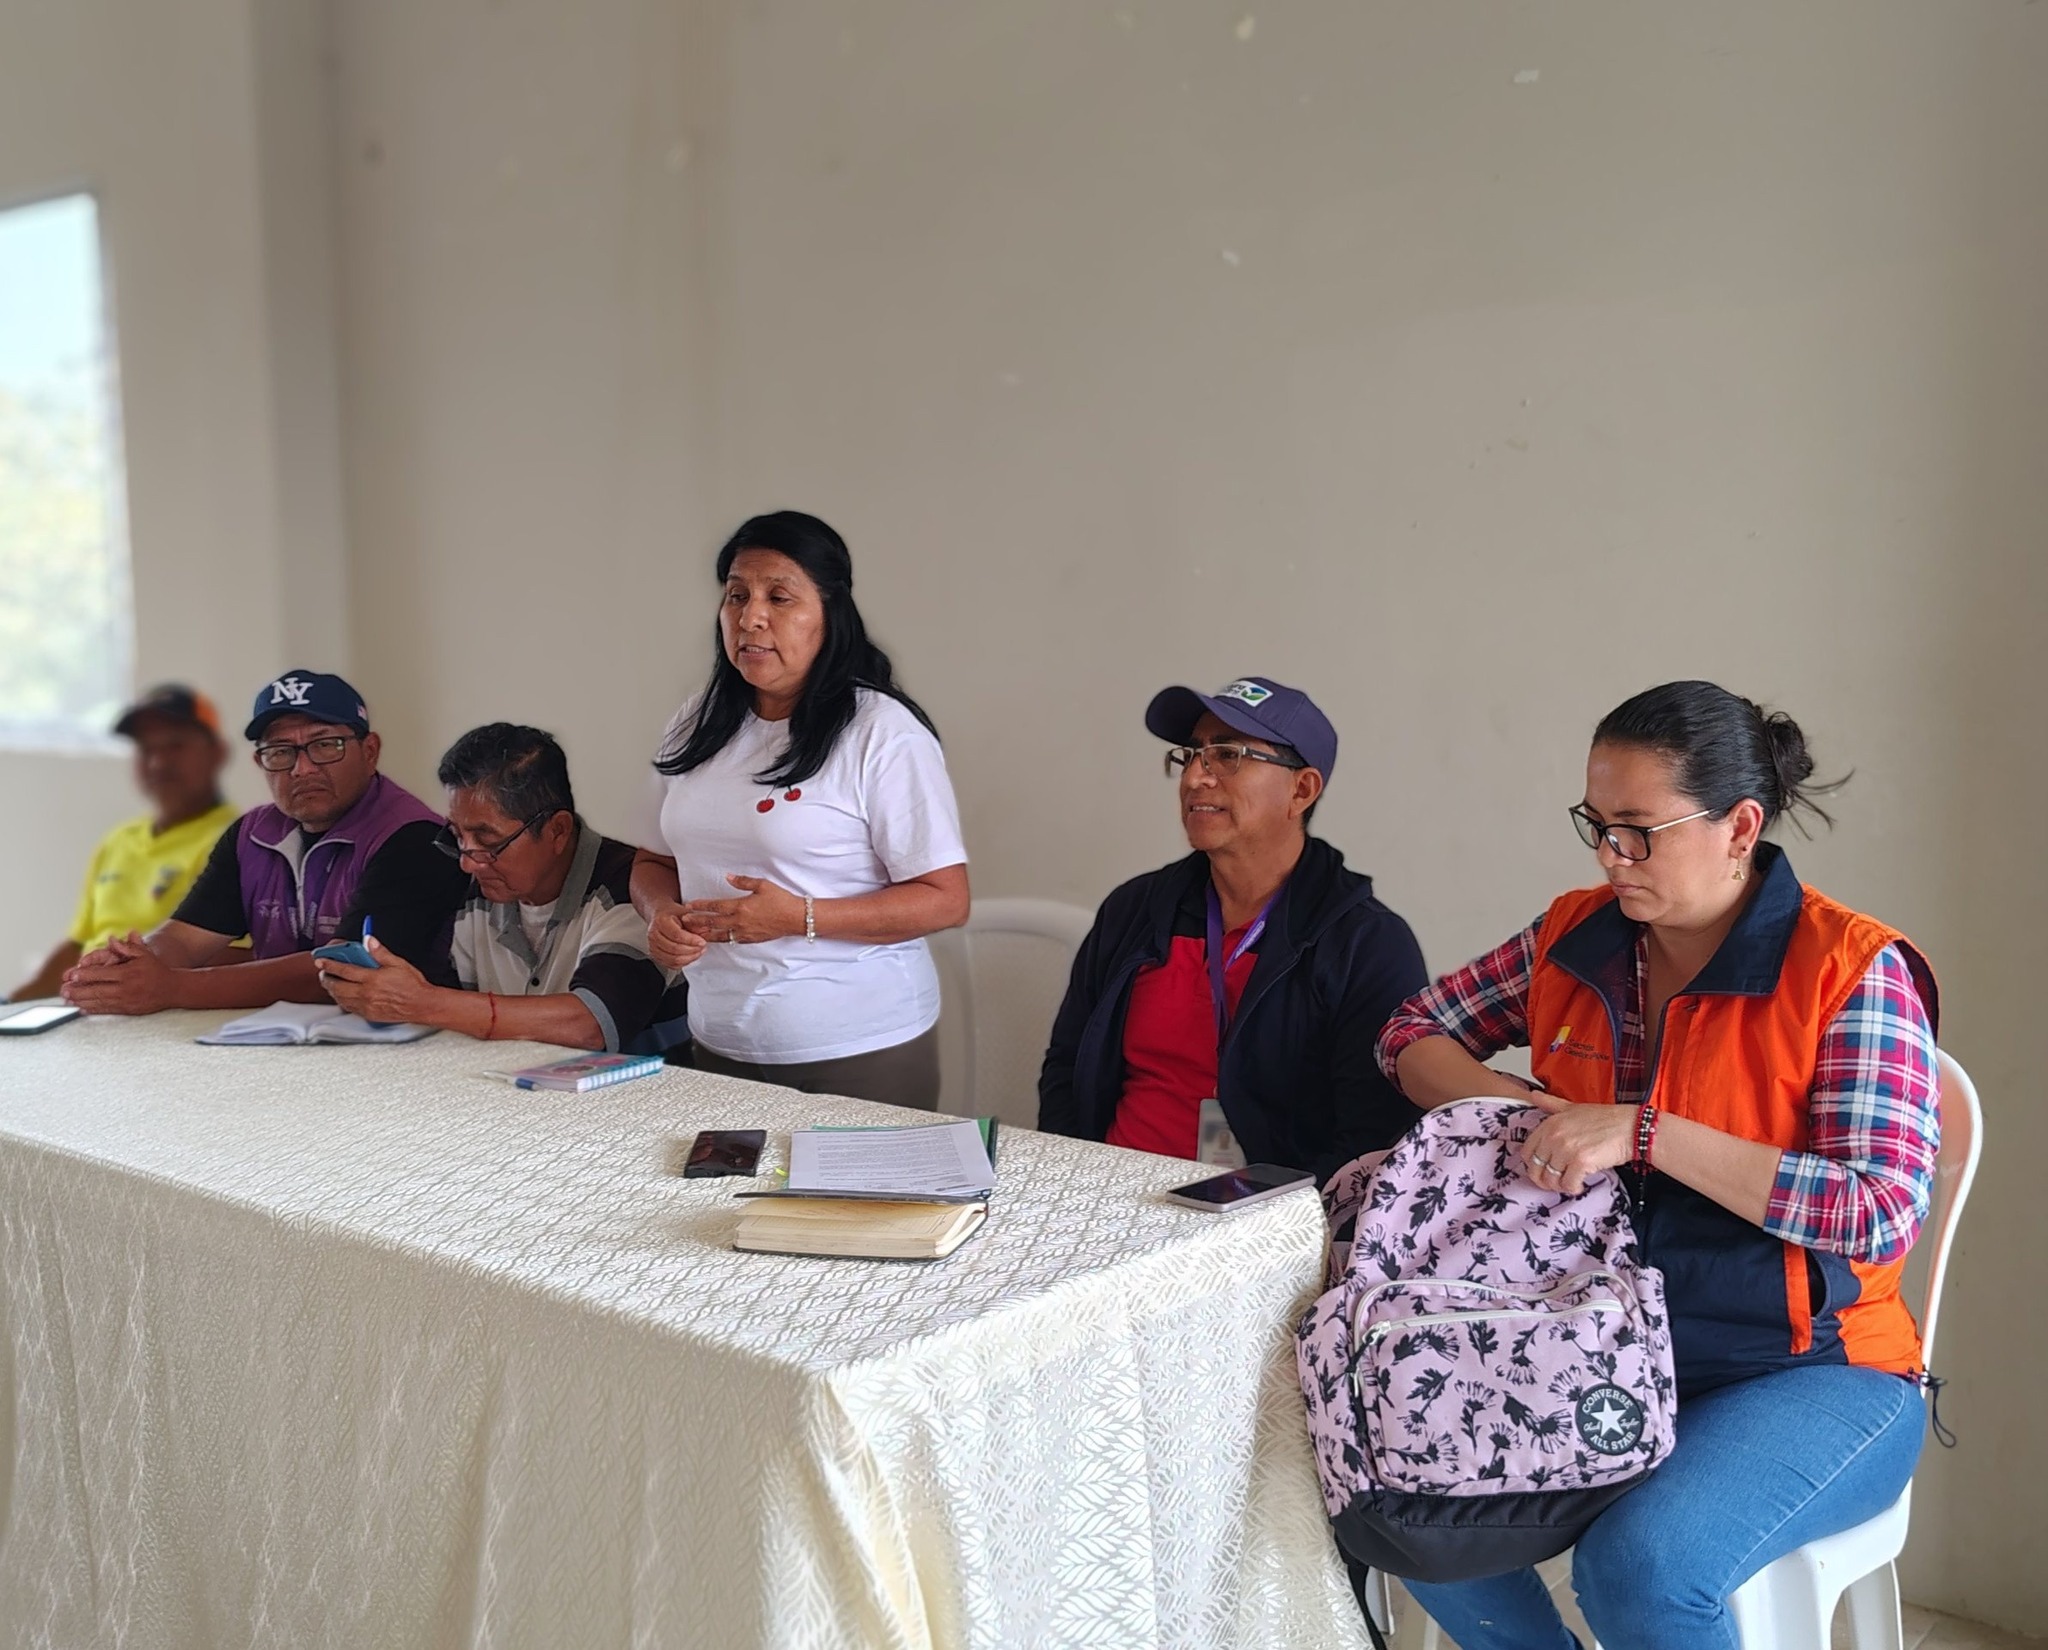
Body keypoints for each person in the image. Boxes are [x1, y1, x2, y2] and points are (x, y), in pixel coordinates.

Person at [1375, 681, 1940, 1650]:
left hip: (1811, 1373)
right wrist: (1528, 1114)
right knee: (1399, 1494)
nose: (1609, 856)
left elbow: (1879, 1208)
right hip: (1587, 1342)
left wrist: (1645, 1132)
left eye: (1638, 832)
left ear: (1738, 827)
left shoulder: (1849, 970)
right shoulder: (1573, 937)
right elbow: (1409, 1034)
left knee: (1640, 1568)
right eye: (1595, 826)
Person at [629, 510, 968, 1106]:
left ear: (830, 614)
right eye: (737, 595)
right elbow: (651, 862)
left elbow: (946, 898)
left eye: (779, 598)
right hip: (718, 1042)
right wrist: (661, 915)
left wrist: (799, 918)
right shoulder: (695, 721)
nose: (750, 617)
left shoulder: (883, 733)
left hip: (858, 1047)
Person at [1038, 677, 1427, 1182]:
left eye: (1228, 755)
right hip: (1110, 1190)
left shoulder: (1367, 943)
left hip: (1265, 1212)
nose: (1195, 777)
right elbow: (1067, 1067)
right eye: (1191, 755)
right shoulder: (1134, 909)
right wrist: (1071, 1178)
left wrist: (1270, 1217)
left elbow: (1372, 1139)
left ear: (1301, 790)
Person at [61, 669, 470, 1016]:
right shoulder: (251, 834)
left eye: (325, 745)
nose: (302, 768)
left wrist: (170, 988)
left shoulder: (415, 836)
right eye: (280, 751)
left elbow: (344, 970)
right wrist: (132, 965)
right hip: (277, 1037)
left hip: (407, 1046)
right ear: (261, 762)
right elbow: (185, 939)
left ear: (370, 751)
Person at [318, 723, 688, 1055]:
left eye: (487, 839)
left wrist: (424, 1003)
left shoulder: (630, 888)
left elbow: (589, 1025)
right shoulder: (484, 893)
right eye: (457, 836)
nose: (468, 862)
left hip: (644, 1097)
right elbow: (460, 1021)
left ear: (557, 830)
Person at [8, 685, 237, 1003]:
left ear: (218, 753)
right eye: (146, 749)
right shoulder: (117, 841)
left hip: (161, 1009)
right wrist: (12, 1006)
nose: (158, 762)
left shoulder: (235, 841)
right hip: (87, 1007)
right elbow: (78, 945)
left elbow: (238, 956)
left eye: (176, 745)